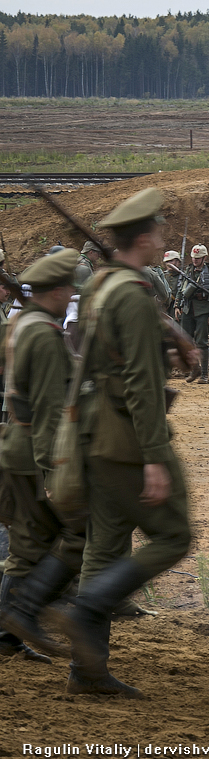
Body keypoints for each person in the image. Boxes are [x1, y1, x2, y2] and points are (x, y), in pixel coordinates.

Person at [53, 188, 196, 698]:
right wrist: (155, 458)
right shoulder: (132, 293)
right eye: (157, 231)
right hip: (127, 438)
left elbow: (95, 345)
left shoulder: (101, 287)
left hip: (91, 431)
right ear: (145, 238)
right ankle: (89, 608)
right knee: (176, 535)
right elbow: (140, 383)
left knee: (106, 546)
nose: (162, 237)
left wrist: (168, 332)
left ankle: (86, 671)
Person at [0, 250, 84, 663]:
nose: (71, 293)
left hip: (16, 445)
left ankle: (9, 631)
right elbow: (51, 409)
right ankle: (18, 618)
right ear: (57, 290)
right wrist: (53, 471)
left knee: (28, 543)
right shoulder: (46, 334)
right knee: (54, 540)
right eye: (68, 287)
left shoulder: (21, 323)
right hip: (33, 453)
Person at [177, 244, 209, 384]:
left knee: (202, 342)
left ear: (205, 258)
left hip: (203, 310)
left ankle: (205, 375)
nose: (195, 260)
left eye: (198, 258)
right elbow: (181, 288)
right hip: (188, 309)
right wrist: (177, 305)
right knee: (185, 341)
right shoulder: (188, 270)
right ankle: (194, 369)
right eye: (194, 258)